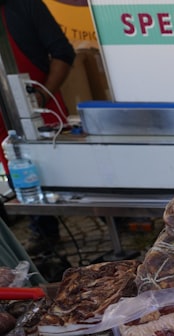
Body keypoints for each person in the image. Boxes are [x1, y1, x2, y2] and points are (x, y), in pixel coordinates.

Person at [0, 0, 75, 253]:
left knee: (78, 177)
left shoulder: (25, 6)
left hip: (42, 109)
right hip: (3, 123)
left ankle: (116, 220)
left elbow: (63, 53)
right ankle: (44, 236)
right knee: (19, 175)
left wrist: (40, 98)